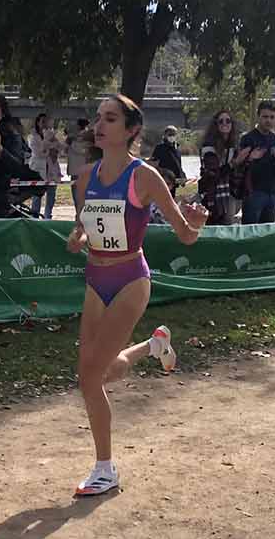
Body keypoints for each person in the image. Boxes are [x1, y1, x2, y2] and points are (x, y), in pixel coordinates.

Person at [66, 94, 207, 496]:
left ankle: (105, 470)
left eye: (110, 118)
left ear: (130, 131)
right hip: (95, 280)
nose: (100, 124)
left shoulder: (144, 177)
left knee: (90, 378)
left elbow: (185, 235)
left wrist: (195, 223)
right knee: (92, 376)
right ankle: (152, 345)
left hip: (130, 279)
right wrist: (77, 238)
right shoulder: (84, 176)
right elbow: (82, 225)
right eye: (98, 118)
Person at [238, 101, 275, 224]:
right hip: (254, 192)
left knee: (267, 233)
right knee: (251, 231)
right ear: (258, 117)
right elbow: (243, 168)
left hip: (272, 193)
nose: (268, 120)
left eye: (272, 117)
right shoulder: (248, 139)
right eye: (265, 117)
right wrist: (270, 158)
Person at [200, 110, 242, 221]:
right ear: (216, 125)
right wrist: (235, 162)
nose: (225, 123)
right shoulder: (208, 147)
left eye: (228, 121)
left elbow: (238, 171)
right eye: (221, 121)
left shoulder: (234, 145)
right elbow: (214, 173)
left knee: (228, 222)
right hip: (213, 193)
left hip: (232, 192)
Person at [27, 111, 64, 218]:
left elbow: (59, 148)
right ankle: (34, 217)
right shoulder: (32, 136)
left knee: (51, 196)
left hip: (52, 169)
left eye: (46, 122)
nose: (45, 124)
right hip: (38, 169)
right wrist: (49, 147)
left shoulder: (51, 134)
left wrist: (51, 145)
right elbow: (38, 153)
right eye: (43, 121)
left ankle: (48, 217)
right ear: (38, 123)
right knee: (37, 196)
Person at [196, 147, 233, 225]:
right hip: (210, 211)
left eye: (213, 162)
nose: (211, 166)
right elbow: (202, 196)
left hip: (223, 210)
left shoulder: (223, 173)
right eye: (208, 163)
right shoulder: (203, 180)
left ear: (217, 163)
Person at [149, 125, 185, 194]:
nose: (172, 136)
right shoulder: (159, 148)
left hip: (174, 182)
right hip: (163, 181)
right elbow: (153, 164)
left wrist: (182, 176)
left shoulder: (177, 148)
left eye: (174, 134)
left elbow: (178, 165)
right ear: (165, 135)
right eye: (170, 134)